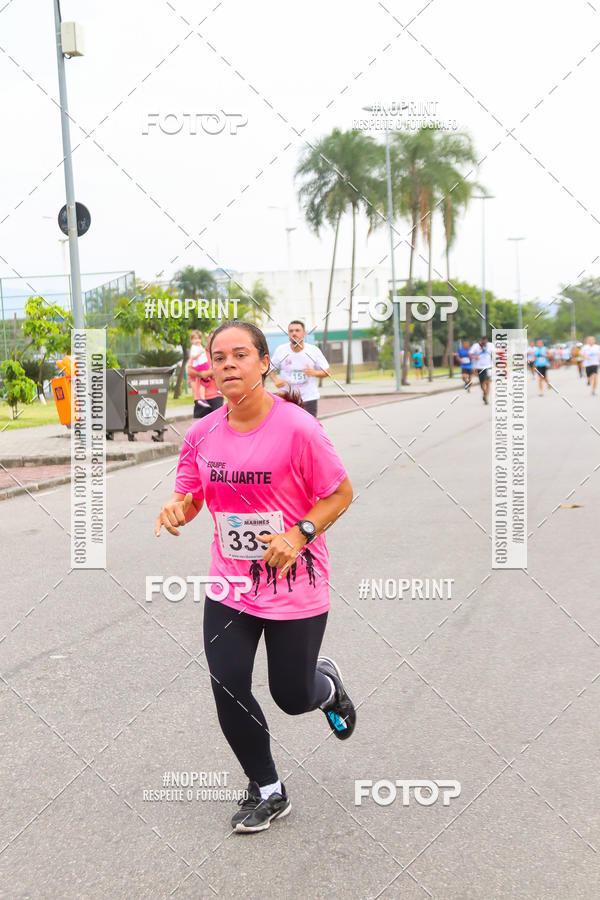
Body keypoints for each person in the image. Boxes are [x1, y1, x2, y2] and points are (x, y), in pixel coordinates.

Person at [155, 320, 356, 834]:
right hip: (230, 585)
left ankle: (326, 687)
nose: (227, 364)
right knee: (227, 682)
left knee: (291, 696)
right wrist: (179, 509)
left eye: (240, 354)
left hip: (295, 586)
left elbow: (340, 493)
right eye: (219, 357)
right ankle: (266, 787)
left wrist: (298, 533)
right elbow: (192, 496)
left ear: (264, 363)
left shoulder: (298, 428)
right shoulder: (202, 433)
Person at [269, 320, 330, 418]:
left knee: (309, 429)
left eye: (297, 330)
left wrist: (314, 372)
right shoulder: (281, 350)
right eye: (291, 331)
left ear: (304, 334)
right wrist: (275, 380)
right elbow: (270, 369)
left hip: (308, 397)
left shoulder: (313, 350)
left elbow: (327, 371)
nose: (294, 333)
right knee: (288, 427)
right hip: (287, 397)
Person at [187, 330, 224, 419]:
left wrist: (207, 373)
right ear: (207, 339)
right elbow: (189, 371)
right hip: (201, 397)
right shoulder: (199, 352)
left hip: (216, 396)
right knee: (201, 428)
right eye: (211, 338)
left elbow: (220, 370)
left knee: (217, 425)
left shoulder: (221, 354)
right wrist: (203, 374)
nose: (213, 340)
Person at [189, 331, 211, 408]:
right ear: (191, 340)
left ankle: (202, 398)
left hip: (202, 365)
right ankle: (201, 397)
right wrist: (201, 352)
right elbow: (193, 357)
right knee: (212, 370)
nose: (197, 340)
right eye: (195, 339)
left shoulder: (199, 346)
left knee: (203, 384)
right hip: (201, 365)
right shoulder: (194, 347)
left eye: (199, 338)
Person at [469, 336, 493, 404]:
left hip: (488, 366)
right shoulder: (476, 346)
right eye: (483, 342)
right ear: (480, 341)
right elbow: (470, 354)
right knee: (481, 383)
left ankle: (486, 397)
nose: (484, 344)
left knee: (487, 382)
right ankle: (484, 392)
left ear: (487, 341)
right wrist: (474, 357)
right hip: (479, 367)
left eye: (485, 342)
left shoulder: (490, 345)